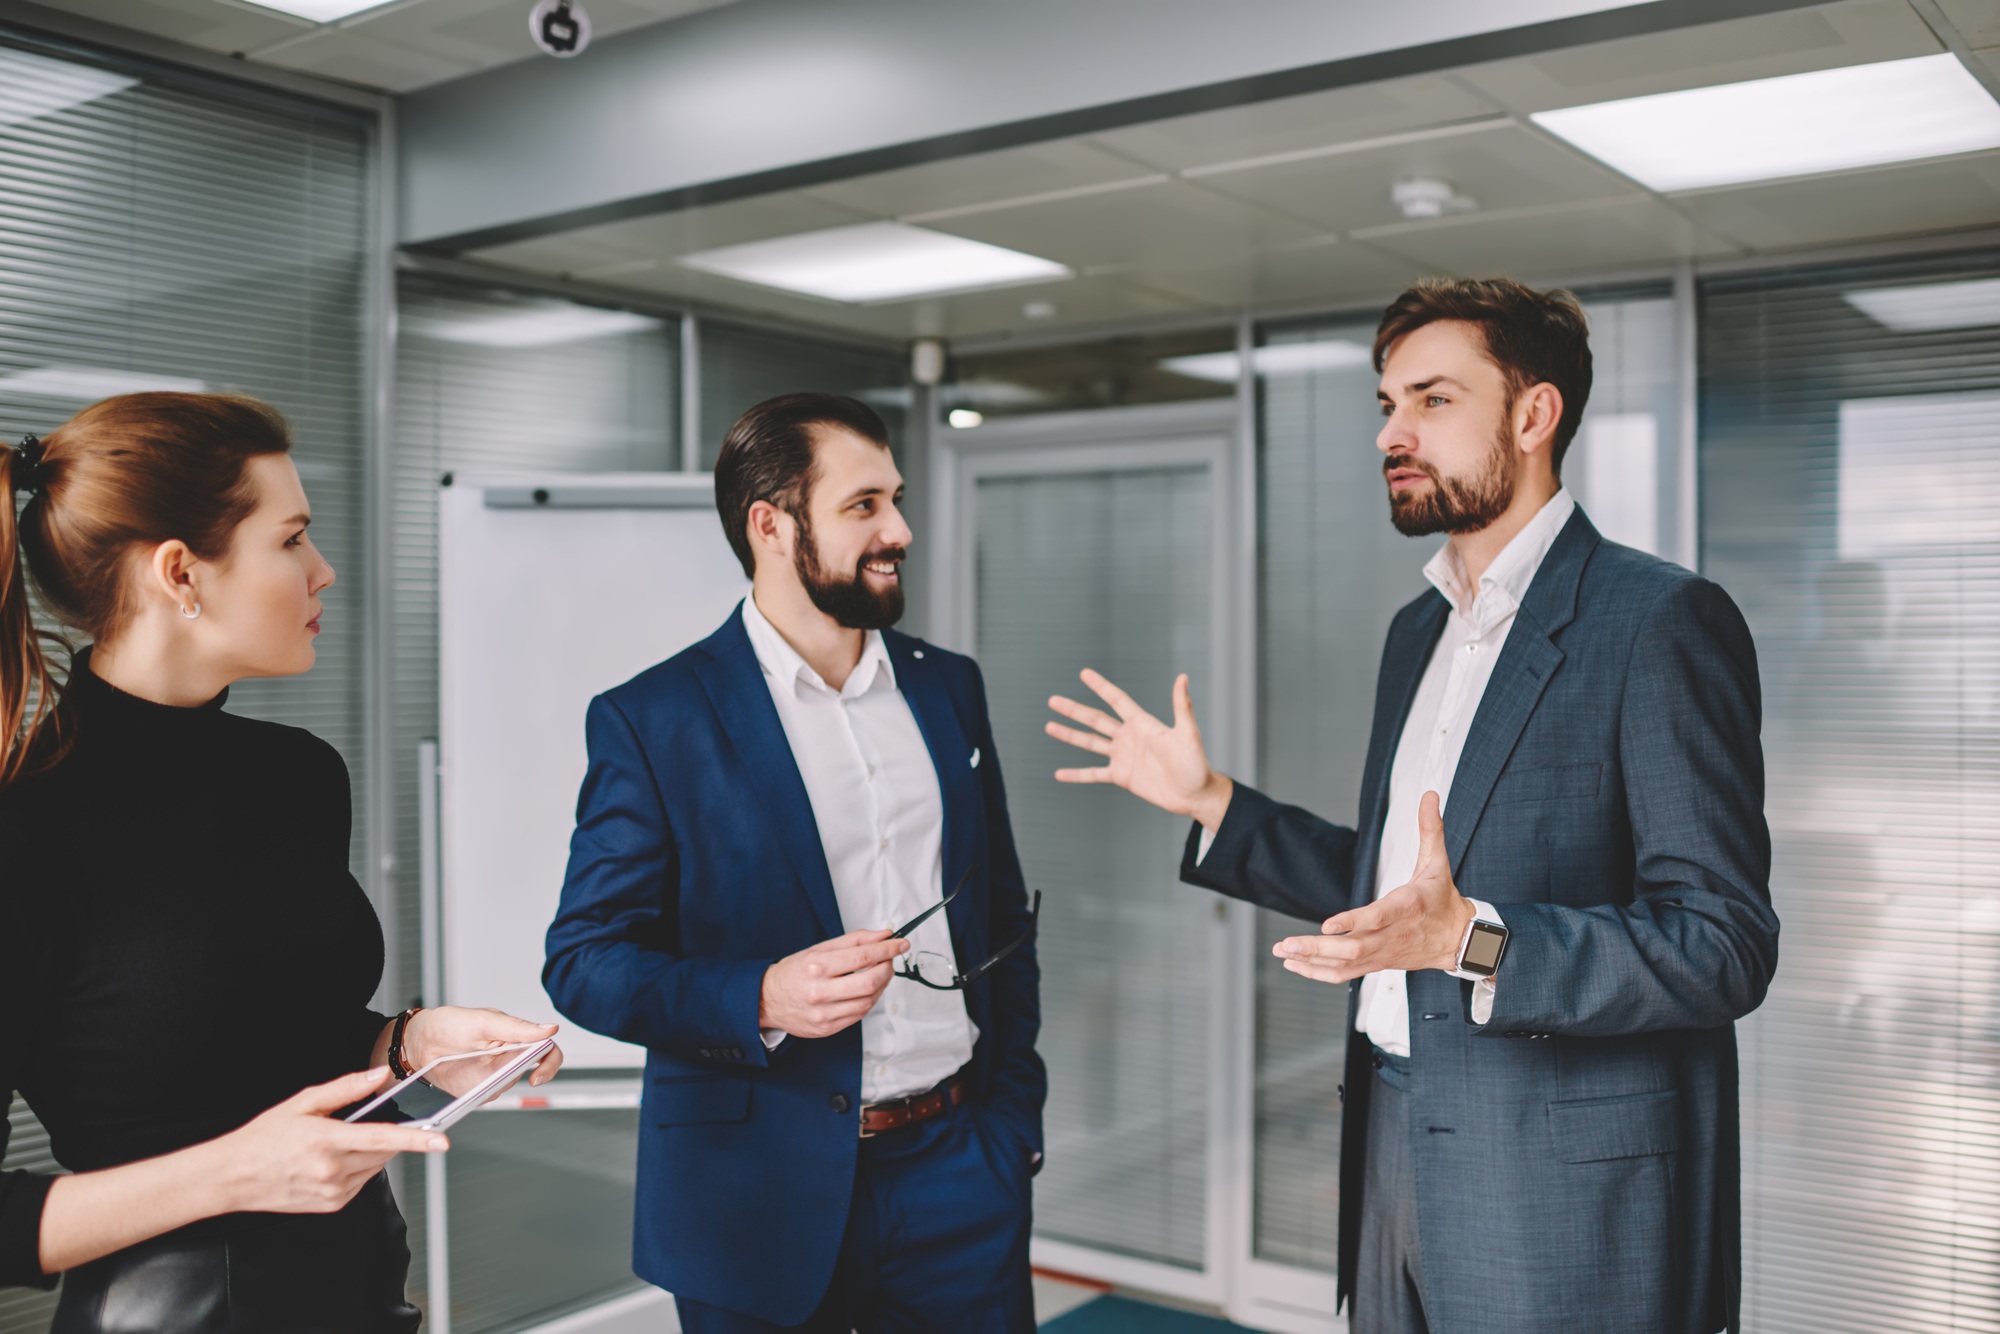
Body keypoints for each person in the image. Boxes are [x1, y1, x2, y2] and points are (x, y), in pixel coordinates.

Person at [1046, 279, 1777, 1334]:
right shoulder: (1416, 630)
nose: (1391, 431)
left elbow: (1720, 943)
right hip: (1389, 1138)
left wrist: (1473, 941)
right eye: (1385, 404)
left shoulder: (1657, 619)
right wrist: (1208, 801)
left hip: (1563, 1192)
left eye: (1431, 400)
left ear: (1533, 415)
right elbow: (1396, 891)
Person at [0, 393, 564, 1332]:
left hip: (365, 1297)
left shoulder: (298, 776)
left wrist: (412, 1045)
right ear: (181, 572)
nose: (324, 571)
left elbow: (276, 1042)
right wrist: (238, 1171)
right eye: (293, 538)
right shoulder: (28, 834)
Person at [545, 393, 1043, 1333]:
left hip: (959, 1173)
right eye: (863, 507)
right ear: (770, 525)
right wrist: (763, 997)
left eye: (895, 499)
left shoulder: (950, 688)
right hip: (750, 1195)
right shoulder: (654, 720)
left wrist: (1010, 1125)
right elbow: (583, 960)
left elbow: (1003, 917)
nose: (899, 529)